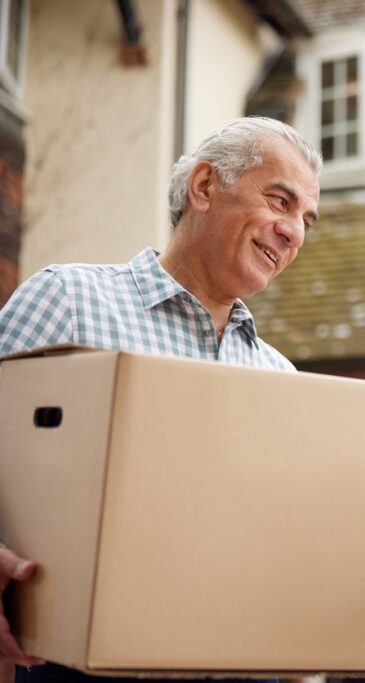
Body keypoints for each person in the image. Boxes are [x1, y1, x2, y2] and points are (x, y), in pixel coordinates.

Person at [0, 116, 322, 683]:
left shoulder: (281, 376)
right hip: (82, 664)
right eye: (279, 202)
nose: (293, 231)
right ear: (204, 187)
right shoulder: (69, 299)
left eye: (305, 220)